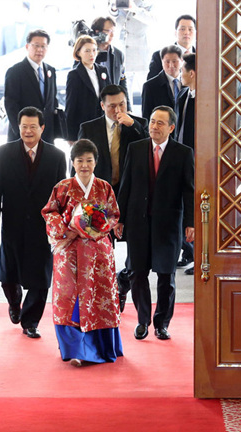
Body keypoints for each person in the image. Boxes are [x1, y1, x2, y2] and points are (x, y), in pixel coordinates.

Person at [115, 106, 194, 341]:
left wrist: (190, 223)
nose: (154, 127)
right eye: (152, 121)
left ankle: (162, 324)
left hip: (168, 225)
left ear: (171, 127)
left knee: (166, 276)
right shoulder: (136, 148)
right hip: (138, 223)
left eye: (160, 123)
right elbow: (126, 185)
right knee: (137, 273)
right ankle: (143, 321)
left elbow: (189, 190)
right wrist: (119, 218)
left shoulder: (183, 153)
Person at [42, 139, 122, 366]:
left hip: (97, 252)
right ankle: (76, 350)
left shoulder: (104, 187)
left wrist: (93, 226)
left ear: (96, 162)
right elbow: (49, 212)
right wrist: (65, 229)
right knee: (70, 298)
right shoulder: (63, 187)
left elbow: (113, 215)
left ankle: (100, 348)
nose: (84, 165)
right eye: (80, 161)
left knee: (99, 298)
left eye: (89, 160)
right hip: (69, 252)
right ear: (73, 162)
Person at [0, 107, 66, 339]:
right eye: (24, 127)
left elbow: (61, 195)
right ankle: (14, 302)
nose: (28, 131)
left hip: (44, 226)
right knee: (8, 273)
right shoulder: (3, 153)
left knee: (41, 276)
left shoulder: (56, 156)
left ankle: (31, 321)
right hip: (13, 221)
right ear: (18, 127)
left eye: (33, 127)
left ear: (42, 128)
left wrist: (61, 224)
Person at [78, 84, 149, 312]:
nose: (118, 110)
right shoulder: (88, 128)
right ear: (102, 106)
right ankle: (103, 299)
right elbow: (79, 164)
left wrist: (133, 126)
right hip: (98, 199)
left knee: (137, 256)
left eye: (122, 104)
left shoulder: (139, 125)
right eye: (112, 106)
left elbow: (151, 150)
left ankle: (123, 282)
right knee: (98, 252)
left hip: (131, 198)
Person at [4, 30, 58, 144]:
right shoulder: (15, 71)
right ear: (27, 46)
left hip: (46, 134)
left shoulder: (51, 70)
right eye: (36, 45)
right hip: (24, 133)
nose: (40, 50)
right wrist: (20, 131)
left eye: (43, 46)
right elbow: (11, 105)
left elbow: (52, 101)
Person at [65, 35, 109, 143]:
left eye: (94, 50)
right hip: (84, 125)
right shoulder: (74, 75)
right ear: (78, 52)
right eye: (87, 51)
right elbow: (70, 107)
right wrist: (71, 137)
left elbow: (109, 94)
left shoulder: (102, 70)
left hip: (103, 124)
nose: (92, 54)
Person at [176, 52, 196, 275]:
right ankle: (189, 252)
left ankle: (199, 257)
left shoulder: (207, 97)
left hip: (198, 160)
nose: (180, 74)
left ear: (192, 73)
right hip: (181, 158)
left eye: (182, 70)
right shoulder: (182, 95)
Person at [90, 16, 131, 111]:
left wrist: (127, 107)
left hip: (113, 106)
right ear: (97, 32)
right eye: (108, 31)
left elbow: (122, 81)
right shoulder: (87, 53)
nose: (112, 35)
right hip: (93, 107)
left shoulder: (118, 54)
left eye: (113, 32)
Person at [141, 45, 183, 122]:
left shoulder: (189, 83)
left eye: (174, 61)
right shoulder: (150, 86)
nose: (171, 65)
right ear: (161, 61)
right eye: (167, 62)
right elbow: (146, 117)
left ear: (181, 60)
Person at [147, 14, 196, 80]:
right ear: (175, 33)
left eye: (190, 29)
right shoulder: (159, 56)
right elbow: (151, 84)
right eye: (182, 29)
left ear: (196, 33)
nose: (186, 32)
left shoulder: (202, 58)